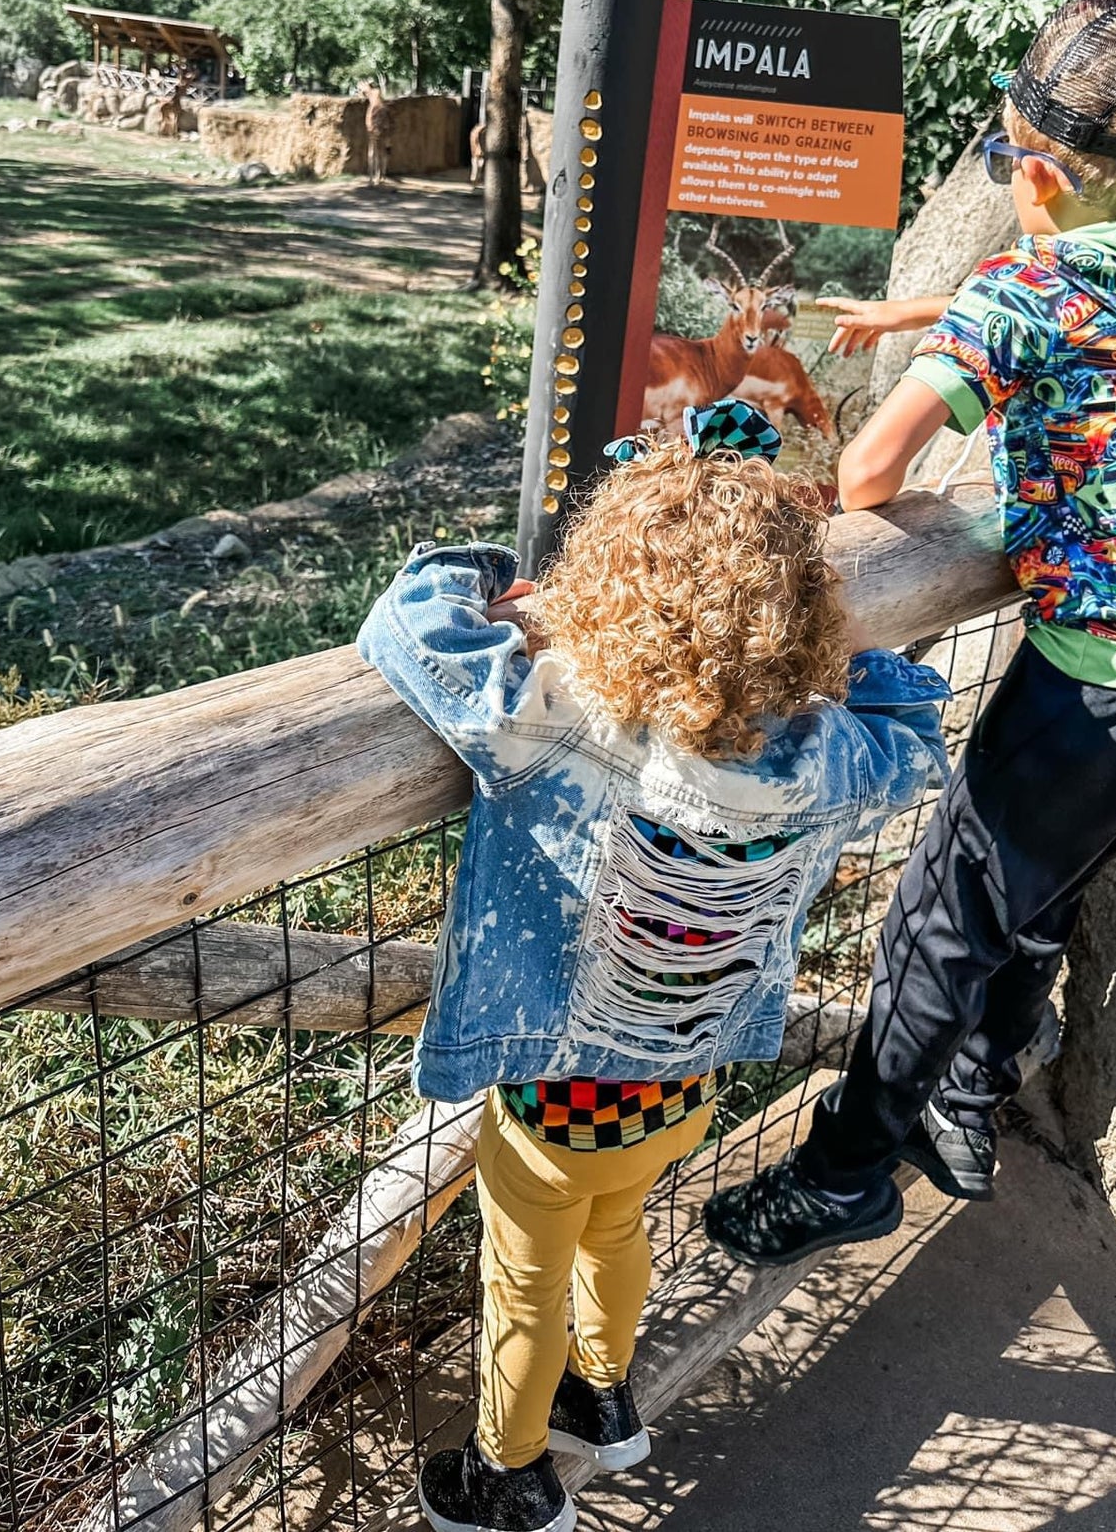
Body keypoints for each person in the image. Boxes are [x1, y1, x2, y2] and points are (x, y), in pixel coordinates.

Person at [704, 0, 1116, 1270]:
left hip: (1094, 687)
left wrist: (939, 348)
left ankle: (846, 1170)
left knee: (936, 919)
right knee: (1040, 893)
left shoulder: (1023, 289)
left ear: (1027, 171)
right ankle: (966, 1100)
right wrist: (929, 320)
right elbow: (1091, 335)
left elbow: (866, 475)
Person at [358, 399, 949, 1532]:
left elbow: (408, 617)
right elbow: (909, 731)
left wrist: (503, 578)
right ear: (798, 612)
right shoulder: (831, 756)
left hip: (555, 1099)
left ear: (602, 585)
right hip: (685, 1083)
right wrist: (846, 671)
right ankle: (608, 1404)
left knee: (520, 1279)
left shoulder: (548, 715)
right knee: (619, 1230)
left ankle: (510, 1476)